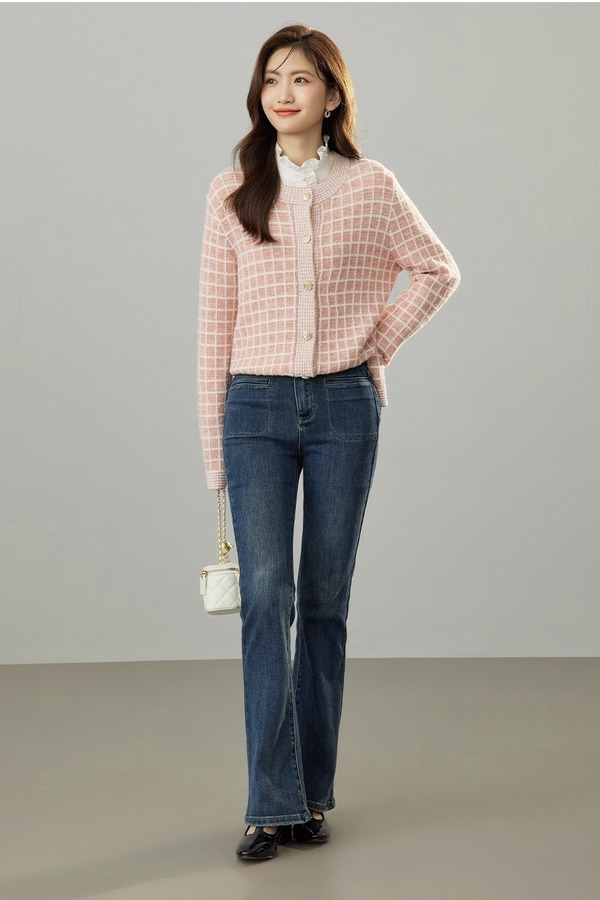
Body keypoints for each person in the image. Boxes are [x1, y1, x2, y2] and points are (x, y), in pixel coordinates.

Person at [197, 23, 461, 862]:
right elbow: (213, 328)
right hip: (255, 409)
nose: (284, 93)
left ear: (332, 94)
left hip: (346, 406)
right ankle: (268, 802)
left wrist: (374, 341)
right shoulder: (232, 189)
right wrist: (213, 454)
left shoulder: (371, 185)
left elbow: (437, 270)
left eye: (301, 78)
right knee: (264, 596)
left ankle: (311, 795)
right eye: (271, 78)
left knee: (323, 602)